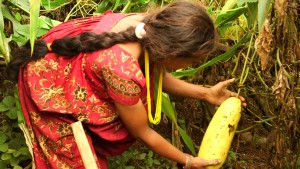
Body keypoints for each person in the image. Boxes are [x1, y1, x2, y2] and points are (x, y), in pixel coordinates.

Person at [6, 1, 246, 169]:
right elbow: (143, 133)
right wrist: (188, 160)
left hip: (70, 62)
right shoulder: (121, 69)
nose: (188, 66)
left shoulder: (148, 28)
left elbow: (155, 76)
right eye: (192, 61)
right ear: (172, 51)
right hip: (48, 86)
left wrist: (205, 94)